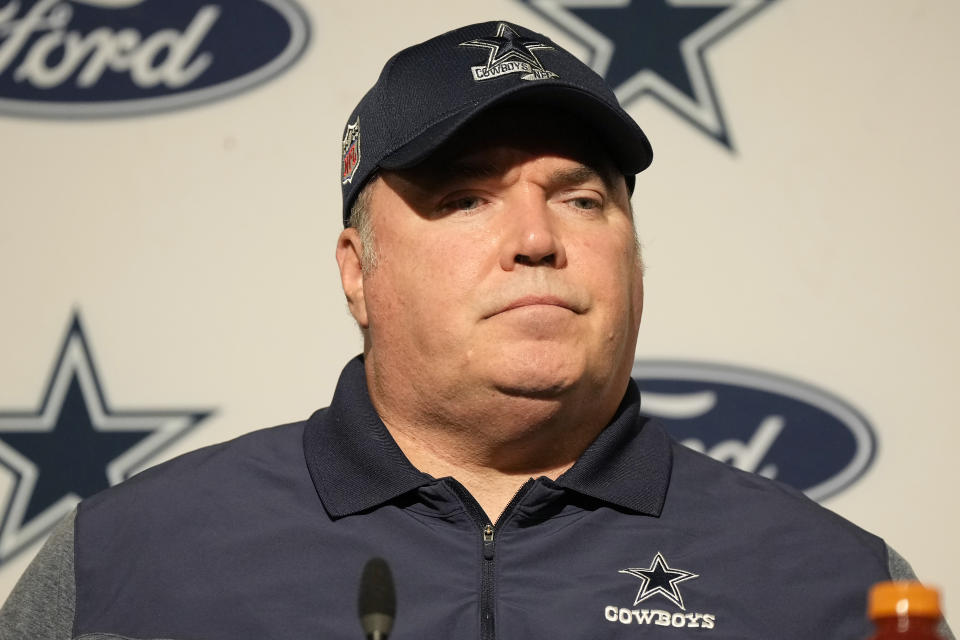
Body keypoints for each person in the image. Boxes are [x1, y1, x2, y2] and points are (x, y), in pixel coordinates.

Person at [0, 20, 953, 640]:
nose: (537, 239)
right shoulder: (124, 565)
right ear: (357, 271)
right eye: (465, 199)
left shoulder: (840, 589)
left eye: (582, 199)